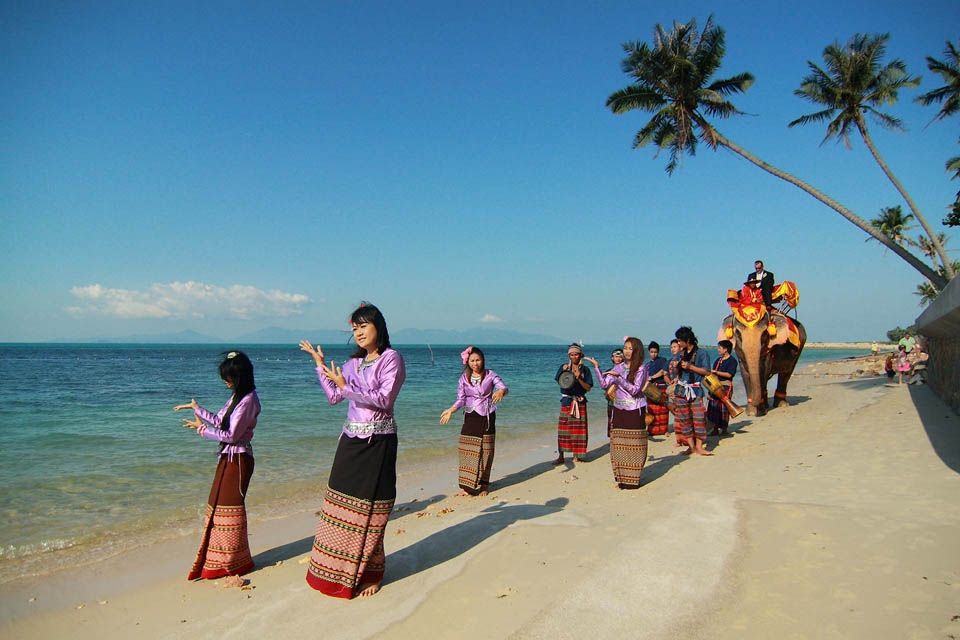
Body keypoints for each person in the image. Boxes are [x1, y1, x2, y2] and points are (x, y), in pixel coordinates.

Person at [299, 303, 405, 599]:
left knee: (372, 509)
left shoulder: (391, 359)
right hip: (349, 441)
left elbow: (384, 400)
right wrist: (320, 365)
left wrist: (346, 387)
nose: (358, 332)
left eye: (363, 326)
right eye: (354, 328)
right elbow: (335, 396)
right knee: (339, 505)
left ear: (378, 328)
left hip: (378, 442)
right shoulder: (351, 364)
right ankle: (335, 572)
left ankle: (372, 573)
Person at [174, 351, 260, 581]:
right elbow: (221, 422)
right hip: (227, 458)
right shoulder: (237, 397)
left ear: (240, 377)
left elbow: (231, 435)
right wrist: (197, 410)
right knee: (216, 509)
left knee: (229, 509)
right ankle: (219, 561)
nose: (225, 382)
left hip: (239, 459)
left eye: (229, 377)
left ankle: (233, 562)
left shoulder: (249, 400)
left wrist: (200, 430)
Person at [440, 346, 508, 497]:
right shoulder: (464, 378)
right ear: (467, 362)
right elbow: (461, 399)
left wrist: (500, 391)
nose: (475, 363)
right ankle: (468, 484)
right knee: (466, 448)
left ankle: (484, 484)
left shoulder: (490, 375)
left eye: (478, 360)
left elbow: (503, 386)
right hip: (471, 416)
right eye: (472, 360)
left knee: (487, 450)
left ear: (483, 360)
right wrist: (451, 410)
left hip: (487, 415)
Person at [585, 337, 649, 489]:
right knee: (619, 446)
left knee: (635, 446)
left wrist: (619, 379)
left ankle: (633, 480)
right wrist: (597, 368)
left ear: (637, 351)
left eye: (630, 348)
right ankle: (621, 478)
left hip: (635, 410)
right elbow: (604, 385)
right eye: (625, 348)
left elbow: (635, 390)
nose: (626, 351)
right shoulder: (619, 367)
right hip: (619, 409)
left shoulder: (641, 368)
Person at [672, 326, 713, 456]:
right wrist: (676, 367)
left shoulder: (702, 354)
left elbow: (707, 371)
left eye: (680, 340)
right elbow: (676, 373)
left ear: (687, 340)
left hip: (695, 389)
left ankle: (700, 447)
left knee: (699, 418)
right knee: (684, 419)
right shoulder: (681, 354)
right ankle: (691, 446)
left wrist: (690, 367)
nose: (678, 343)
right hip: (680, 390)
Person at [554, 344, 593, 464]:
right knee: (563, 430)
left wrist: (579, 378)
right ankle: (561, 456)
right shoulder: (564, 367)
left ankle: (577, 456)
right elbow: (560, 383)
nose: (574, 356)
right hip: (567, 402)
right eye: (571, 354)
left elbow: (588, 388)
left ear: (580, 355)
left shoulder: (585, 370)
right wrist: (565, 373)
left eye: (576, 354)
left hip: (580, 401)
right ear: (569, 356)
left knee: (579, 430)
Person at [706, 340, 739, 436]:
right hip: (715, 385)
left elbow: (729, 374)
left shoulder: (732, 361)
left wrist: (716, 372)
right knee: (714, 407)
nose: (718, 350)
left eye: (720, 348)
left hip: (726, 386)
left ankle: (724, 429)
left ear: (726, 349)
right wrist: (709, 390)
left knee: (724, 408)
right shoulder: (718, 360)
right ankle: (715, 429)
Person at [644, 341, 670, 436]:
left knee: (663, 409)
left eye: (655, 352)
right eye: (651, 352)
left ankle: (665, 430)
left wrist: (653, 377)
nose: (653, 354)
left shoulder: (663, 360)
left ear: (658, 352)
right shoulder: (647, 364)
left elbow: (663, 371)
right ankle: (652, 430)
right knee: (652, 410)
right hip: (651, 389)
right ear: (649, 352)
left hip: (661, 386)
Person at [665, 339, 687, 448]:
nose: (673, 349)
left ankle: (684, 439)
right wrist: (668, 381)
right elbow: (665, 373)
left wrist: (678, 379)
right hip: (672, 389)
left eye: (675, 347)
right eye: (671, 347)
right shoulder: (670, 361)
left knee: (681, 414)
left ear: (680, 347)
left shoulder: (682, 359)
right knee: (676, 414)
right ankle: (679, 440)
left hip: (681, 389)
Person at [605, 348, 625, 436]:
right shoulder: (609, 371)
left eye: (620, 357)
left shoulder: (626, 371)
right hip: (611, 401)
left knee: (623, 422)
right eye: (616, 357)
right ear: (612, 358)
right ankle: (612, 442)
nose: (618, 359)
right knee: (611, 422)